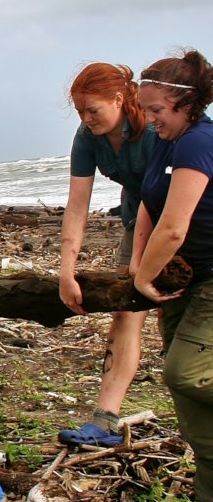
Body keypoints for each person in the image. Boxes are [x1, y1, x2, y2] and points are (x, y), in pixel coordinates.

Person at [56, 63, 157, 447]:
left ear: (118, 99)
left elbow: (166, 192)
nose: (85, 119)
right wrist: (66, 270)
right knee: (126, 309)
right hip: (138, 219)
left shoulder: (152, 127)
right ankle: (105, 420)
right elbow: (77, 206)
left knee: (178, 316)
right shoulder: (88, 137)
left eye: (92, 110)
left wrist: (145, 258)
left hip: (188, 216)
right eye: (80, 111)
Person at [133, 50, 213, 502]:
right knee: (192, 411)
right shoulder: (166, 140)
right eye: (145, 110)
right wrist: (137, 266)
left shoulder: (199, 142)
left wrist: (143, 278)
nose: (149, 119)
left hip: (211, 278)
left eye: (157, 110)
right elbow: (149, 200)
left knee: (185, 373)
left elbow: (176, 224)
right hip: (182, 279)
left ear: (187, 104)